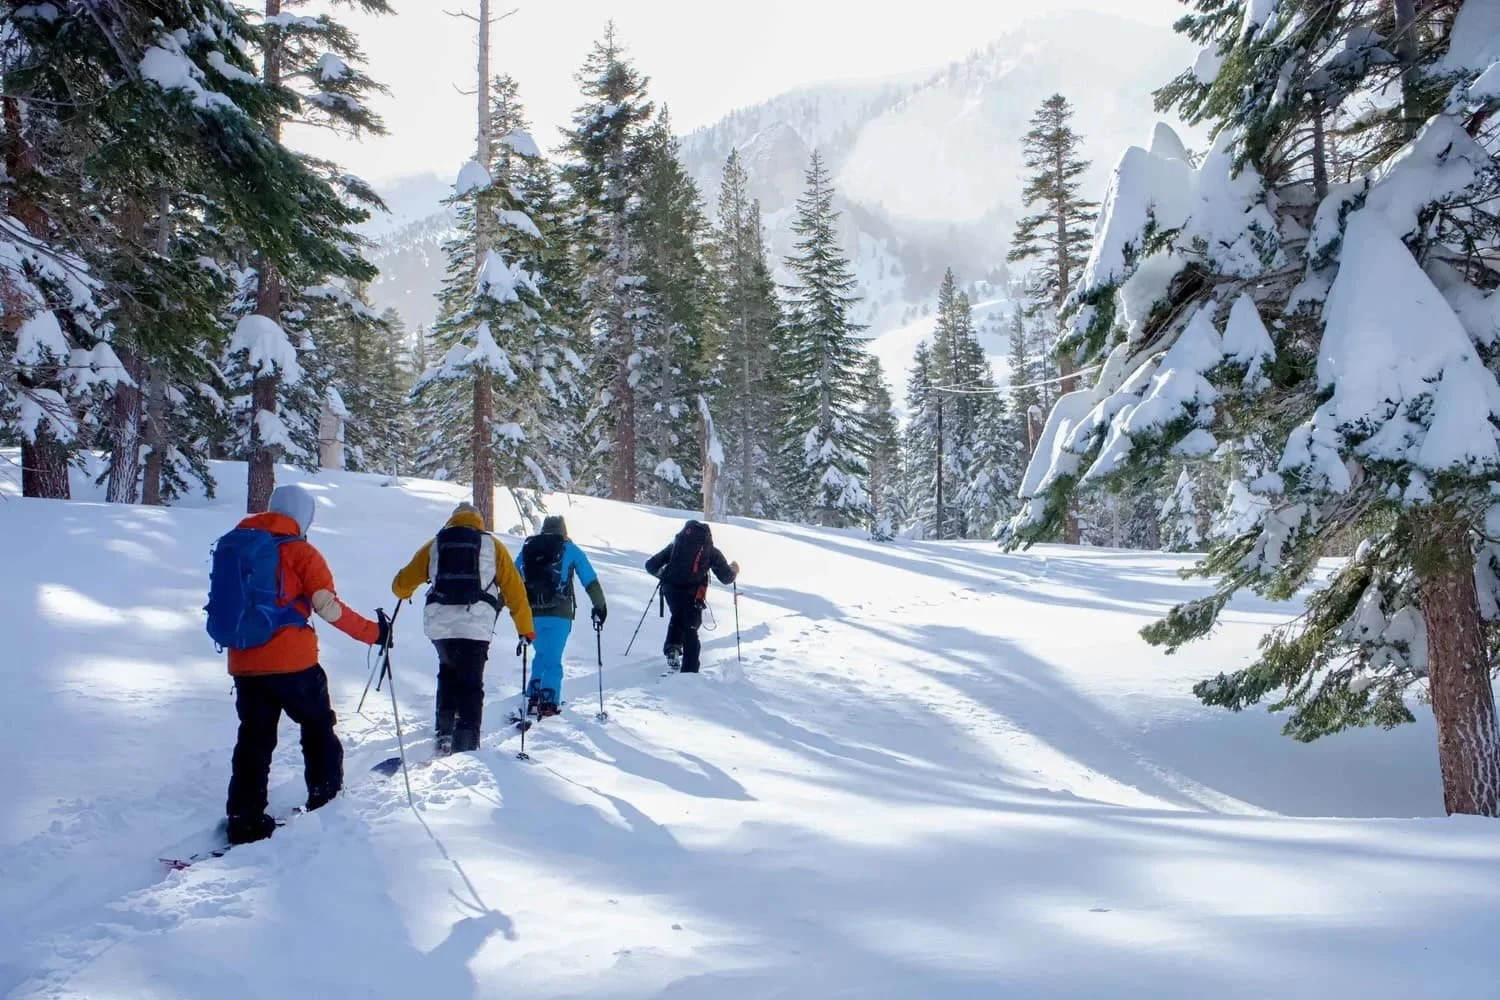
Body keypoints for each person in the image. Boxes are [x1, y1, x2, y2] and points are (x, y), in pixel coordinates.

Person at [209, 484, 390, 846]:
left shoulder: (237, 545)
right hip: (294, 664)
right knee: (317, 726)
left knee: (254, 739)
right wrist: (374, 633)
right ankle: (324, 798)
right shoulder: (301, 552)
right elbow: (327, 607)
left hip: (244, 661)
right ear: (303, 516)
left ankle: (244, 818)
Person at [391, 501, 535, 755]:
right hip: (476, 625)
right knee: (470, 682)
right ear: (478, 520)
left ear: (453, 519)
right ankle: (466, 744)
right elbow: (515, 590)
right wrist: (525, 628)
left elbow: (401, 586)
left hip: (440, 625)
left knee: (447, 671)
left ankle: (444, 730)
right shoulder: (493, 546)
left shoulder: (436, 544)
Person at [517, 515, 607, 718]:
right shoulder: (569, 549)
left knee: (542, 653)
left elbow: (513, 577)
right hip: (560, 613)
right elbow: (589, 579)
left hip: (532, 613)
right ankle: (548, 700)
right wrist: (600, 606)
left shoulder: (529, 549)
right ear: (563, 531)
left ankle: (533, 694)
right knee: (553, 657)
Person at [644, 520, 739, 674]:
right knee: (691, 628)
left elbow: (650, 565)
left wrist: (664, 576)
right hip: (693, 593)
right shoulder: (711, 551)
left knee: (678, 616)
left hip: (670, 590)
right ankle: (689, 672)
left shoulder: (676, 545)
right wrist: (734, 569)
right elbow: (726, 577)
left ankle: (672, 649)